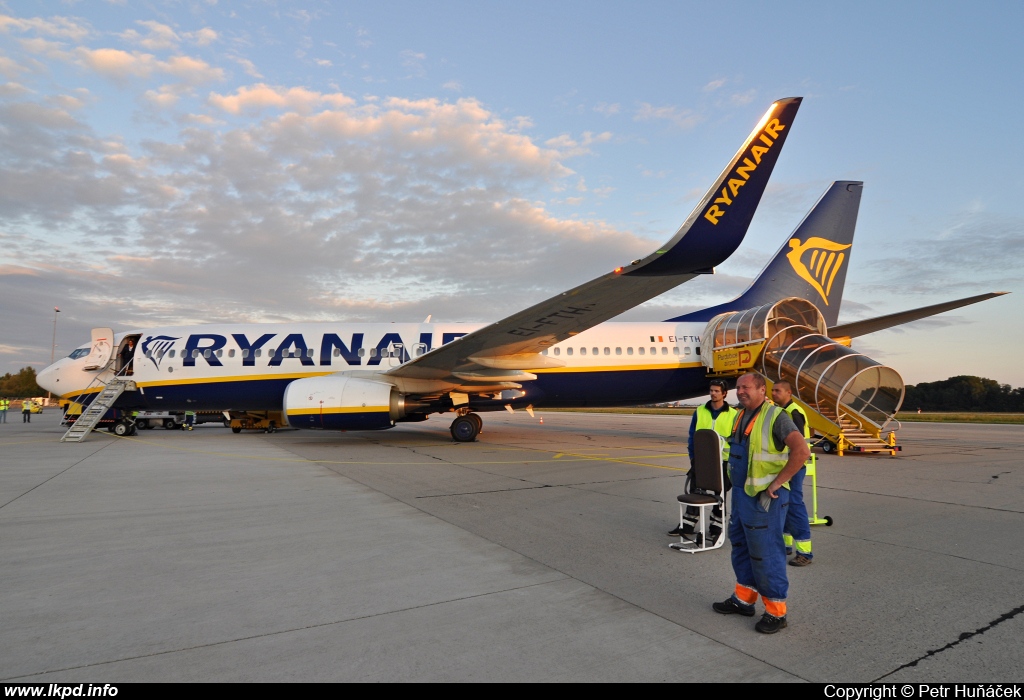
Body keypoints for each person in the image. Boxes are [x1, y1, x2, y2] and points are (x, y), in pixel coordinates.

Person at [712, 372, 809, 634]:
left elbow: (802, 451)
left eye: (746, 387)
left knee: (766, 553)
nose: (740, 391)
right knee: (741, 547)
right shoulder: (741, 415)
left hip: (765, 499)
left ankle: (776, 612)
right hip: (744, 496)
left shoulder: (777, 417)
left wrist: (778, 483)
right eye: (738, 388)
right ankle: (744, 600)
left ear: (761, 390)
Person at [669, 379, 737, 540]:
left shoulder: (734, 415)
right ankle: (687, 526)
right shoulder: (700, 411)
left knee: (719, 496)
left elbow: (736, 439)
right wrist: (693, 457)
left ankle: (716, 527)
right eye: (711, 390)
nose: (713, 393)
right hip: (702, 461)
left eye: (716, 391)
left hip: (724, 461)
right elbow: (692, 436)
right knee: (695, 492)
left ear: (724, 394)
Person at [771, 381, 814, 567]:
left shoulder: (793, 412)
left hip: (794, 466)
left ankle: (805, 552)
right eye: (772, 390)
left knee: (795, 505)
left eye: (777, 391)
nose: (774, 394)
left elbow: (798, 446)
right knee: (784, 504)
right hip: (785, 465)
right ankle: (786, 545)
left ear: (789, 392)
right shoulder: (782, 410)